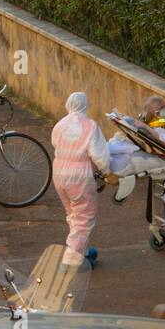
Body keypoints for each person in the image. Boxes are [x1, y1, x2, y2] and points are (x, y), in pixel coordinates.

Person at [51, 92, 113, 268]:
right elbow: (99, 154)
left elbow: (55, 144)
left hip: (59, 171)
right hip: (79, 174)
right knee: (84, 216)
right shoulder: (90, 126)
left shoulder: (60, 125)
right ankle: (71, 259)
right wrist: (107, 171)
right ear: (86, 105)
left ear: (68, 104)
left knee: (73, 213)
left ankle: (82, 251)